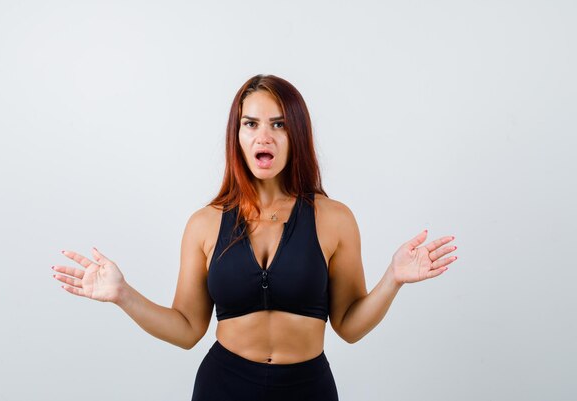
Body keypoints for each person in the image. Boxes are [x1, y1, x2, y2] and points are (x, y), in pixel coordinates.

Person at [51, 74, 458, 400]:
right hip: (223, 385)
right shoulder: (204, 224)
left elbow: (349, 326)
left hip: (307, 389)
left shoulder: (334, 219)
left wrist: (394, 278)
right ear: (238, 135)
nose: (264, 136)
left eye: (278, 124)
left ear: (295, 134)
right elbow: (187, 329)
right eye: (251, 124)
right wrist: (124, 294)